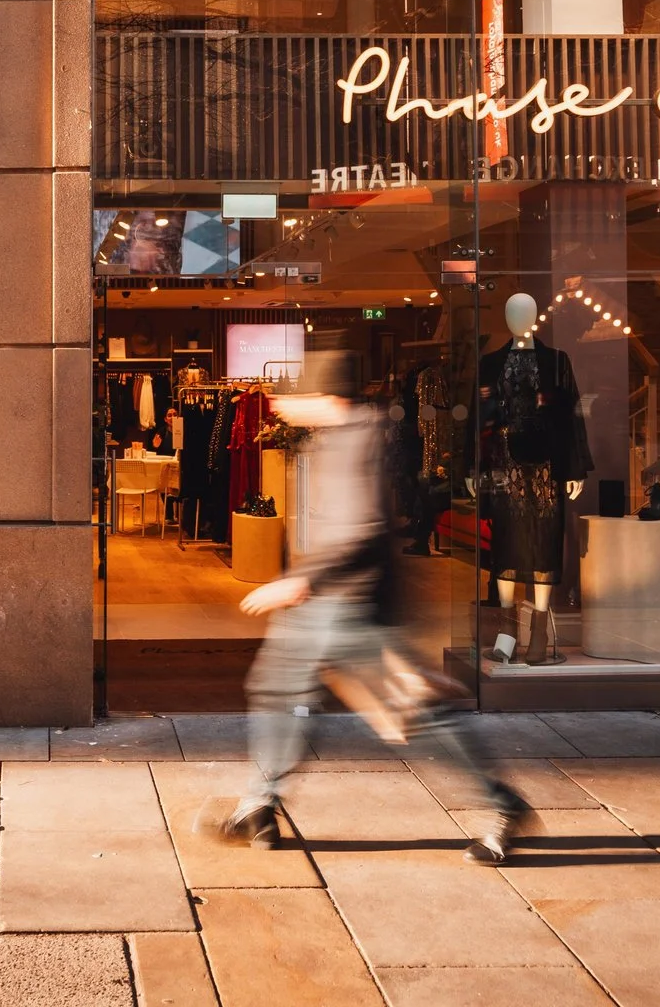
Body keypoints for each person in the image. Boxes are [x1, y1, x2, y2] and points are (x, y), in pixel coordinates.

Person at [220, 351, 532, 863]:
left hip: (352, 605)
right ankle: (258, 802)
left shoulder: (355, 442)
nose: (280, 405)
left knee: (414, 712)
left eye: (295, 396)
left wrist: (298, 582)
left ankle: (502, 805)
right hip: (334, 602)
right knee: (280, 689)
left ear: (325, 398)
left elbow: (362, 531)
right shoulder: (339, 439)